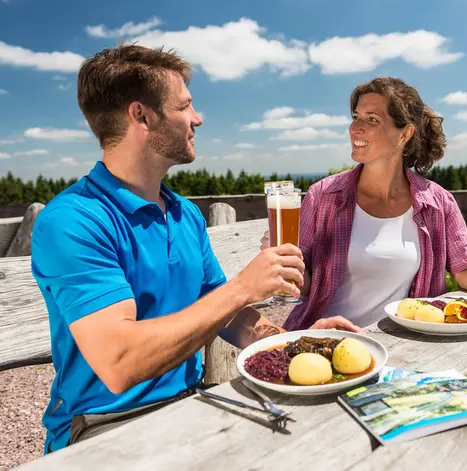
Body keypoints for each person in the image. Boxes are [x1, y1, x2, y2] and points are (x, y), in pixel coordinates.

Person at [30, 44, 359, 454]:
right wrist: (243, 286)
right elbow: (119, 363)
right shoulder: (72, 221)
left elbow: (225, 313)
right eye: (185, 106)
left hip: (191, 404)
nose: (197, 118)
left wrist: (292, 342)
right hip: (104, 425)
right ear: (142, 116)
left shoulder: (184, 213)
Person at [261, 76, 467, 331]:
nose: (355, 128)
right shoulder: (323, 196)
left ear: (404, 133)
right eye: (356, 117)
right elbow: (305, 287)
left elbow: (464, 269)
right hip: (328, 341)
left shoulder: (437, 202)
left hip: (407, 344)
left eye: (372, 119)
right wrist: (286, 265)